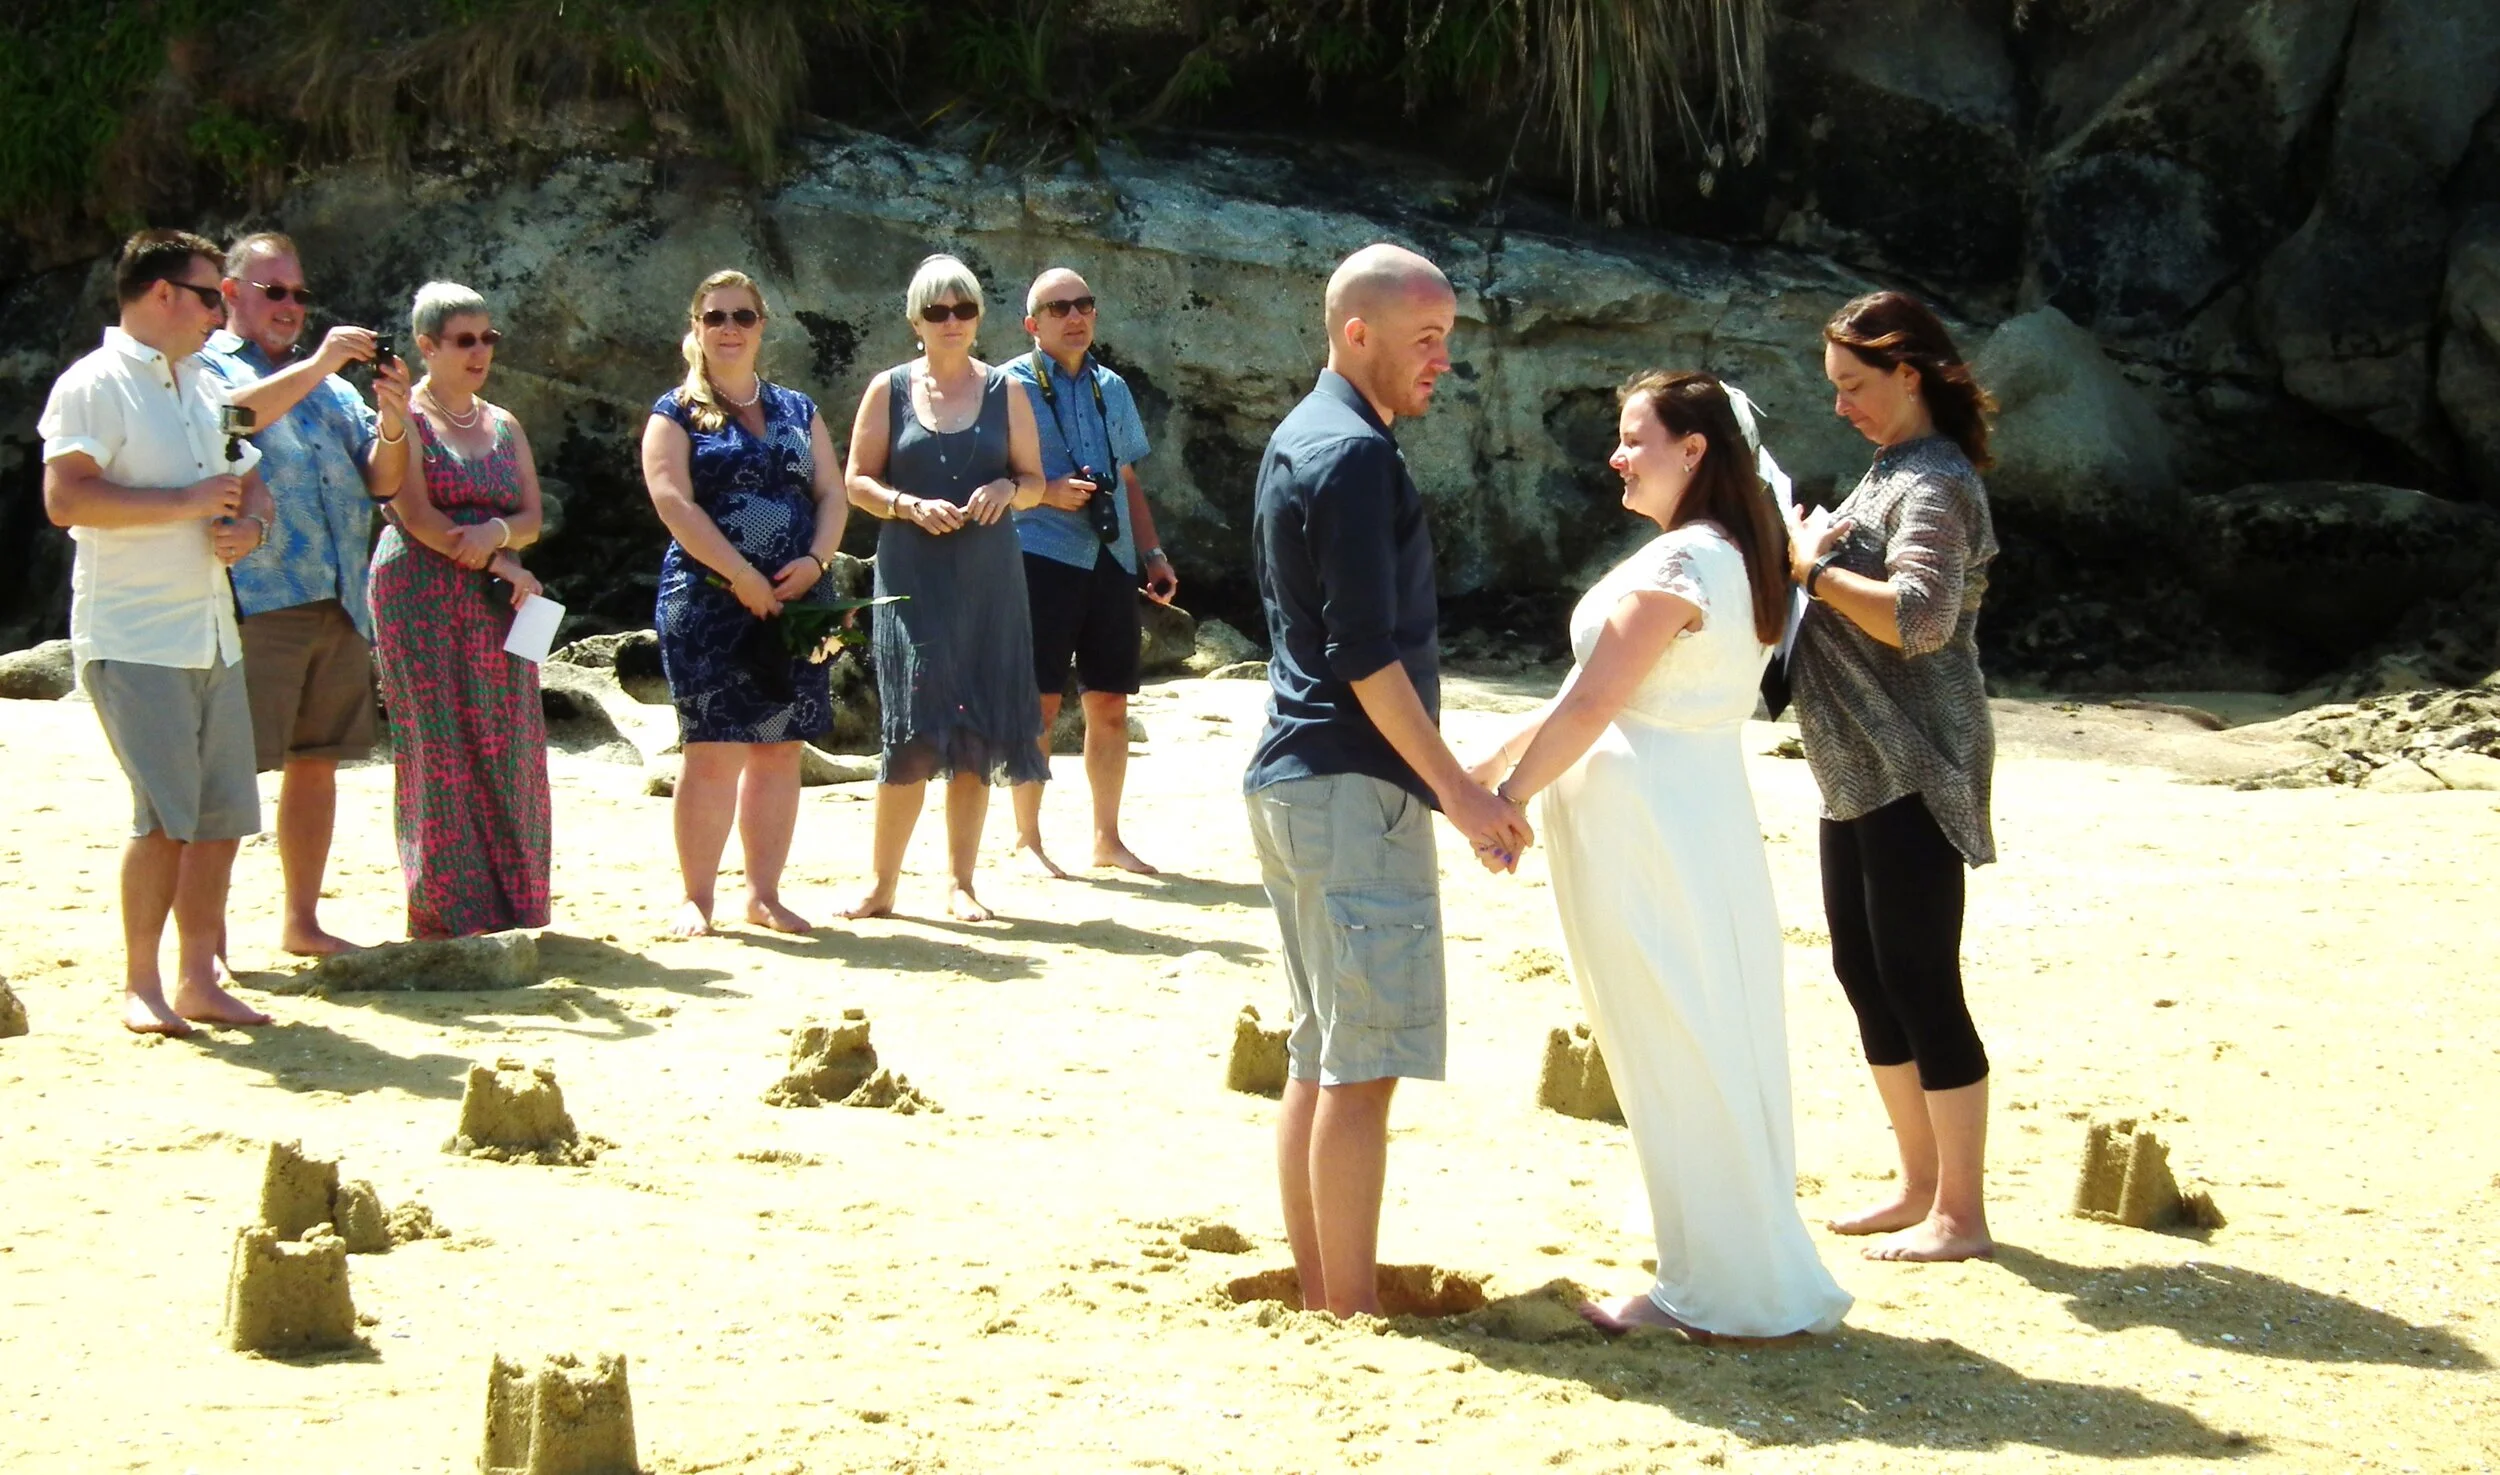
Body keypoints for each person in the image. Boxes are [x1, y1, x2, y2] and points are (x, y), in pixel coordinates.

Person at [1466, 371, 1852, 1340]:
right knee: (1702, 1025)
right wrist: (1495, 758)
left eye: (1634, 436)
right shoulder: (1741, 556)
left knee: (1674, 1034)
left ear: (1695, 449)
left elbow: (1597, 702)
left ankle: (1712, 1286)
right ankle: (1725, 1265)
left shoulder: (1684, 561)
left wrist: (1505, 803)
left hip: (1647, 826)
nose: (1616, 454)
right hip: (1692, 811)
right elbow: (1602, 694)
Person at [1243, 243, 1532, 1319]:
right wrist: (1460, 793)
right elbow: (1366, 657)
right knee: (1356, 1069)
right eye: (1424, 339)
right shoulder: (1354, 455)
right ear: (1354, 332)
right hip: (1349, 784)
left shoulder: (1298, 436)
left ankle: (1331, 1297)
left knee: (1322, 1055)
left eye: (1448, 339)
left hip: (1293, 780)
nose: (1442, 360)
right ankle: (1349, 1310)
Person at [1785, 289, 2001, 1263]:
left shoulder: (1937, 482)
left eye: (1853, 385)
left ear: (1907, 372)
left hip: (1918, 759)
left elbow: (1920, 618)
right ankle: (1918, 1184)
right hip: (1854, 763)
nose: (1839, 405)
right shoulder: (1886, 471)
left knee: (1920, 974)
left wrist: (1808, 571)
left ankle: (1963, 1213)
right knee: (1864, 971)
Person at [37, 228, 277, 1035]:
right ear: (164, 293)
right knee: (164, 818)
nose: (224, 310)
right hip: (133, 633)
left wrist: (250, 530)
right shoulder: (93, 383)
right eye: (213, 294)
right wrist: (186, 503)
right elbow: (66, 499)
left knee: (221, 821)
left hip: (213, 630)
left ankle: (198, 977)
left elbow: (252, 486)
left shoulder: (205, 384)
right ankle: (142, 984)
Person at [196, 230, 414, 957]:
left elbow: (382, 481)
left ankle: (301, 922)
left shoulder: (333, 389)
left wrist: (391, 417)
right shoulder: (204, 364)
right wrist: (321, 359)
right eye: (274, 291)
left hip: (341, 598)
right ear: (230, 294)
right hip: (256, 597)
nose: (291, 307)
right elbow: (227, 421)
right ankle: (208, 943)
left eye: (299, 293)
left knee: (316, 761)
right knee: (228, 774)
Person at [840, 254, 1049, 922]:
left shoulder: (1007, 390)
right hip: (911, 576)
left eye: (963, 308)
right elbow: (855, 482)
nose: (951, 320)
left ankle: (962, 882)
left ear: (979, 317)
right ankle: (883, 883)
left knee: (976, 731)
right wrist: (905, 504)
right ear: (916, 320)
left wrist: (1008, 488)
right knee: (910, 729)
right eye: (937, 310)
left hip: (989, 579)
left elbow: (1037, 481)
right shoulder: (889, 388)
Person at [642, 269, 849, 938]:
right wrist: (739, 573)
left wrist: (816, 559)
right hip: (709, 599)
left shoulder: (799, 408)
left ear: (762, 326)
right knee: (713, 748)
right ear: (696, 329)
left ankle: (763, 893)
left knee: (781, 747)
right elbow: (672, 500)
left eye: (742, 316)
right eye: (715, 317)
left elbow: (832, 494)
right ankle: (697, 898)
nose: (729, 328)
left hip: (797, 599)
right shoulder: (675, 411)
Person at [369, 281, 553, 939]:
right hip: (419, 593)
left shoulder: (503, 422)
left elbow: (531, 516)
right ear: (427, 346)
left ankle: (518, 906)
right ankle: (447, 912)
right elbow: (411, 511)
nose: (480, 352)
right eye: (464, 340)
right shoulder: (405, 420)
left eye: (488, 338)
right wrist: (491, 556)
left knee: (512, 743)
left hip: (499, 602)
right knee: (439, 746)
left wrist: (500, 543)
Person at [1002, 268, 1179, 877]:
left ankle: (1107, 839)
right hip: (1037, 554)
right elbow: (985, 479)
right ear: (1032, 324)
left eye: (1083, 304)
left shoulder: (1113, 387)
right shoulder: (1006, 386)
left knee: (1110, 703)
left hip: (1110, 557)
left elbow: (1127, 479)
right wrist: (1046, 492)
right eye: (1058, 308)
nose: (1074, 316)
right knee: (1039, 703)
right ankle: (1028, 840)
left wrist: (1151, 554)